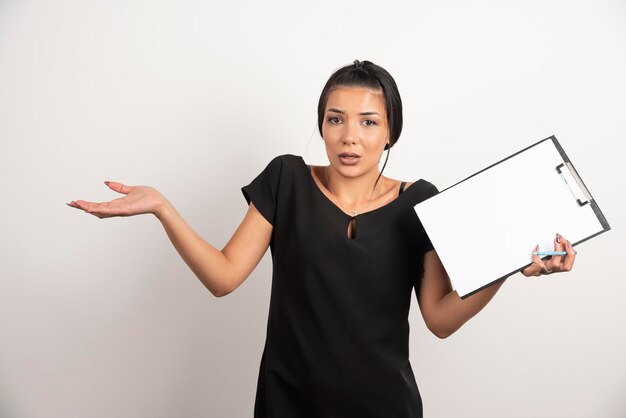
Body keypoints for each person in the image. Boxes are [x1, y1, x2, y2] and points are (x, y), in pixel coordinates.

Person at [67, 60, 576, 417]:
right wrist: (162, 207)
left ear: (390, 132)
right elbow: (223, 277)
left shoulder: (421, 201)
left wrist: (508, 265)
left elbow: (439, 318)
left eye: (368, 122)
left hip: (384, 409)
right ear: (322, 125)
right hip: (288, 405)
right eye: (336, 120)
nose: (349, 136)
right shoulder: (286, 180)